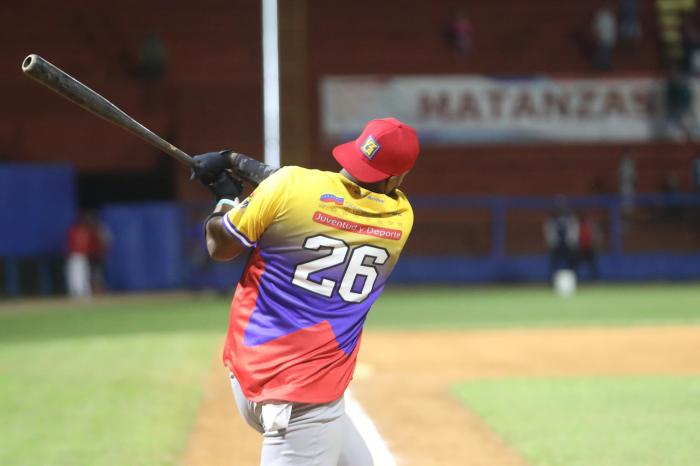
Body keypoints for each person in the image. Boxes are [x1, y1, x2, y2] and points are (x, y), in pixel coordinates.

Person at [190, 117, 419, 465]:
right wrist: (234, 160)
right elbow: (292, 185)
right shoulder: (401, 217)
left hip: (258, 371)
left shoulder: (291, 185)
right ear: (396, 178)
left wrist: (225, 197)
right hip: (302, 396)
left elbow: (220, 246)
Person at [543, 197, 579, 277]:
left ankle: (573, 280)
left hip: (568, 244)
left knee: (571, 263)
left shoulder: (570, 216)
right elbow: (548, 230)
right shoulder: (552, 217)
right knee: (554, 264)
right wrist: (551, 241)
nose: (560, 208)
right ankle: (553, 280)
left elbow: (574, 228)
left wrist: (573, 241)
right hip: (556, 244)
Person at [65, 213, 93, 298]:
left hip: (77, 256)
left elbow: (68, 244)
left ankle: (78, 294)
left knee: (77, 276)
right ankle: (83, 294)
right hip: (80, 256)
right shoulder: (83, 231)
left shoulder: (75, 231)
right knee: (82, 275)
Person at [576, 211, 602, 280]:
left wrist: (596, 245)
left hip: (590, 248)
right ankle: (576, 279)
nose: (583, 219)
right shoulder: (578, 226)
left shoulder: (591, 225)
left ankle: (595, 279)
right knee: (576, 264)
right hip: (581, 248)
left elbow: (597, 236)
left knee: (593, 265)